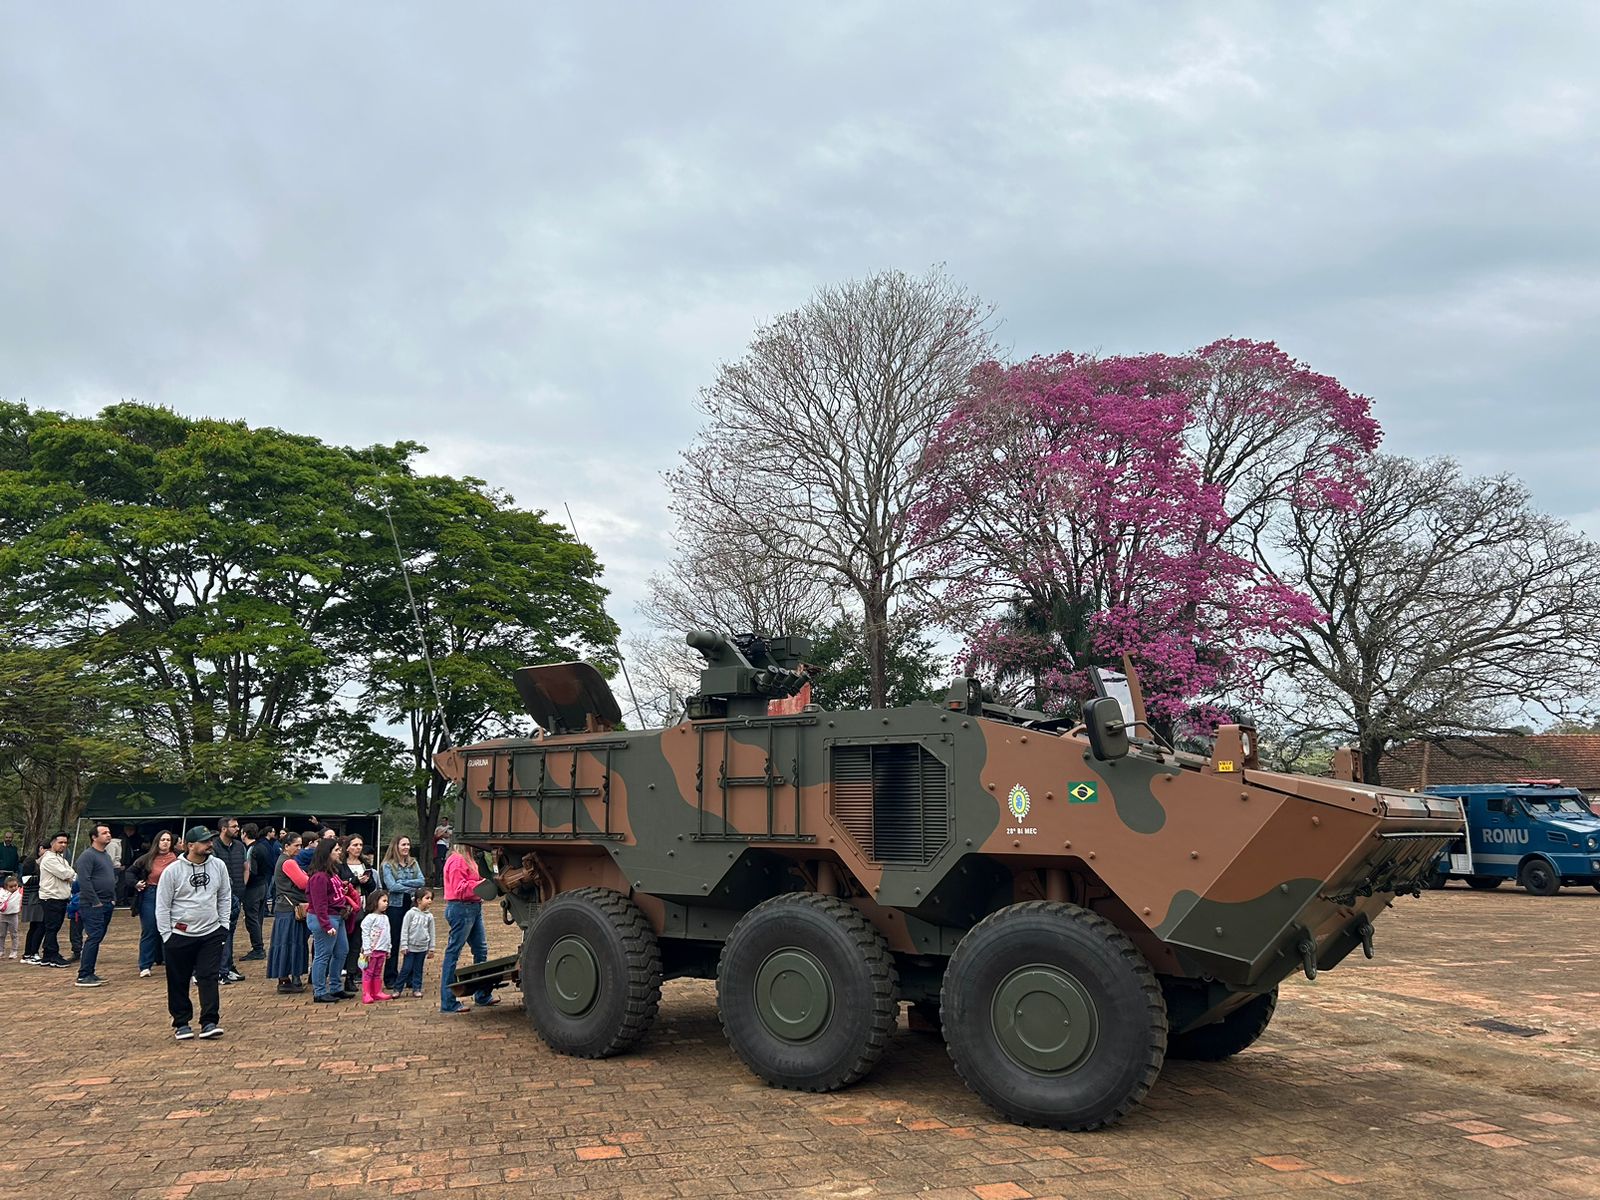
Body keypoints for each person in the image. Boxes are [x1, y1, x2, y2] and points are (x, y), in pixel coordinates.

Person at [154, 825, 231, 1040]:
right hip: (179, 934)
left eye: (210, 840)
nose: (210, 844)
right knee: (178, 979)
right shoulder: (173, 870)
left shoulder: (219, 866)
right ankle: (181, 1022)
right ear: (190, 845)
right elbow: (162, 905)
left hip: (211, 932)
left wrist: (223, 925)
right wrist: (166, 935)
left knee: (208, 977)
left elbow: (225, 896)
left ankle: (209, 1022)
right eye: (205, 841)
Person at [439, 843, 498, 1014]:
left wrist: (481, 884)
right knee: (453, 952)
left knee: (481, 950)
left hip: (472, 907)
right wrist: (481, 886)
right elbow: (460, 889)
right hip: (461, 907)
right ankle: (448, 1002)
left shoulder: (469, 858)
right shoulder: (457, 860)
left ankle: (482, 994)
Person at [378, 836, 426, 990]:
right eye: (403, 844)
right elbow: (391, 887)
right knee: (394, 940)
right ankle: (390, 976)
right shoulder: (387, 865)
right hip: (395, 906)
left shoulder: (413, 862)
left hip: (411, 904)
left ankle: (409, 976)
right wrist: (409, 886)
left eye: (408, 844)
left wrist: (402, 883)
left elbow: (421, 881)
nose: (406, 847)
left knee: (412, 939)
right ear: (396, 846)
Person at [266, 832, 310, 994]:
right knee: (290, 943)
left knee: (287, 943)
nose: (299, 848)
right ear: (286, 846)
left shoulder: (285, 861)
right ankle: (285, 979)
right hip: (289, 909)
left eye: (300, 845)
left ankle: (286, 978)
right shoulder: (289, 862)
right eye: (296, 845)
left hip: (286, 908)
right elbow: (303, 883)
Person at [307, 838, 350, 1004]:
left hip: (336, 916)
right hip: (325, 918)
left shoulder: (331, 872)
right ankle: (319, 991)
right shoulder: (319, 877)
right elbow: (319, 904)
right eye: (336, 850)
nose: (340, 852)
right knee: (323, 955)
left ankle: (335, 986)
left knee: (341, 951)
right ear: (327, 853)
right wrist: (325, 924)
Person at [130, 831, 179, 977]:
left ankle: (171, 962)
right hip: (151, 893)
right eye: (162, 839)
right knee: (150, 928)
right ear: (157, 841)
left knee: (172, 928)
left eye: (168, 840)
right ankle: (145, 965)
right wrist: (136, 884)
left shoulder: (178, 858)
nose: (165, 842)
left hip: (172, 895)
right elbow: (130, 872)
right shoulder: (147, 858)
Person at [75, 822, 117, 987]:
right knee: (93, 937)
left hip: (107, 903)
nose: (108, 835)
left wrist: (113, 898)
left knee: (97, 937)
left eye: (109, 832)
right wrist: (95, 902)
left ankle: (90, 972)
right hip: (93, 905)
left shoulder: (105, 855)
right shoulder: (87, 856)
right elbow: (84, 881)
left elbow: (111, 878)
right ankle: (84, 974)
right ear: (94, 837)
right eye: (104, 832)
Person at [336, 836, 375, 998]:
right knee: (343, 942)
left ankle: (351, 976)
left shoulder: (365, 864)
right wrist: (354, 880)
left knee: (356, 943)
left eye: (360, 845)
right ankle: (337, 975)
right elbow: (339, 884)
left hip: (362, 905)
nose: (358, 848)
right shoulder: (340, 865)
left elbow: (372, 886)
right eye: (354, 845)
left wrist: (366, 881)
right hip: (346, 907)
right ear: (347, 847)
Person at [211, 818, 248, 983]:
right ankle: (220, 969)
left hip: (237, 894)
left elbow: (246, 866)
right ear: (223, 828)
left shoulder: (239, 846)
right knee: (220, 933)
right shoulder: (214, 846)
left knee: (230, 932)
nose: (238, 829)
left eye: (238, 826)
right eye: (234, 826)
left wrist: (242, 886)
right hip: (219, 897)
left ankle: (227, 966)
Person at [36, 833, 75, 968]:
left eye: (65, 843)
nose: (63, 845)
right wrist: (69, 875)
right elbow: (66, 874)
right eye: (60, 842)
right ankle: (53, 955)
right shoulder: (49, 859)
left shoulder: (61, 859)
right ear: (53, 843)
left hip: (60, 897)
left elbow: (72, 874)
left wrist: (69, 875)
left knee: (53, 927)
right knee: (52, 928)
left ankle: (47, 956)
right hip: (51, 898)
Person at [239, 823, 271, 962]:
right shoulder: (263, 846)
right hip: (263, 884)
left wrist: (242, 885)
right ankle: (258, 947)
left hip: (253, 887)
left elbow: (251, 870)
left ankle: (258, 948)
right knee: (257, 918)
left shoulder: (252, 849)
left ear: (245, 833)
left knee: (252, 919)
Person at [396, 887, 435, 998]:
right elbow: (404, 929)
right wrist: (404, 945)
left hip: (422, 948)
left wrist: (431, 948)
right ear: (418, 900)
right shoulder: (410, 914)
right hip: (410, 947)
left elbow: (432, 932)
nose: (430, 901)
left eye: (431, 898)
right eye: (427, 898)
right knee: (406, 968)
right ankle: (398, 988)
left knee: (418, 969)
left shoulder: (429, 916)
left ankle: (416, 988)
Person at [358, 892, 394, 1004]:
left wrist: (388, 948)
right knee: (368, 972)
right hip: (371, 951)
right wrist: (367, 949)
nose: (386, 903)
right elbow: (365, 933)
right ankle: (367, 993)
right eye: (383, 901)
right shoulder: (369, 918)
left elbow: (387, 934)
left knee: (378, 972)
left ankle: (377, 992)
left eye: (387, 901)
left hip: (382, 950)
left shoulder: (385, 918)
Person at [19, 842, 47, 963]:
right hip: (32, 899)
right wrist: (44, 877)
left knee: (35, 926)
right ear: (41, 849)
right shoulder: (31, 862)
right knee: (39, 925)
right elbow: (26, 880)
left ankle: (28, 953)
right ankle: (32, 953)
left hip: (38, 898)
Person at [0, 874, 20, 959]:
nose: (14, 888)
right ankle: (1, 950)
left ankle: (14, 951)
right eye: (11, 886)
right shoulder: (2, 893)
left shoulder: (19, 892)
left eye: (15, 886)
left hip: (13, 916)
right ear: (6, 887)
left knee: (14, 934)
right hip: (2, 916)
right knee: (1, 934)